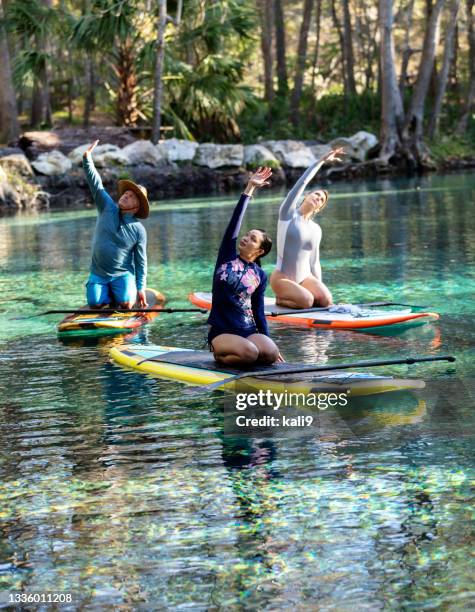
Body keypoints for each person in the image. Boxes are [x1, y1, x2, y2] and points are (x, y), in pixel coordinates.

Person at [208, 167, 283, 366]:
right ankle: (219, 355)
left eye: (253, 239)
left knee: (271, 354)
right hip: (222, 332)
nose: (245, 238)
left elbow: (258, 311)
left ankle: (250, 351)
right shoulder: (226, 258)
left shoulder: (259, 274)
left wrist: (267, 339)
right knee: (250, 354)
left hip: (248, 330)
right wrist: (250, 188)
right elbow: (235, 221)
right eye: (247, 235)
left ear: (260, 251)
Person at [270, 147, 344, 310]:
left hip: (305, 278)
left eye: (321, 200)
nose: (318, 198)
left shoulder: (316, 229)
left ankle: (306, 296)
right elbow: (301, 183)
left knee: (325, 300)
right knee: (307, 301)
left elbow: (314, 262)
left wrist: (319, 286)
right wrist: (320, 161)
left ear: (319, 208)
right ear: (306, 196)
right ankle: (281, 299)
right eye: (316, 195)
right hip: (282, 278)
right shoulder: (287, 214)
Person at [82, 139, 149, 309]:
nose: (125, 196)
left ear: (137, 207)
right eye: (125, 193)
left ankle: (121, 293)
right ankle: (105, 293)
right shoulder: (106, 207)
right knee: (95, 304)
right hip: (98, 274)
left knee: (126, 303)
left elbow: (141, 262)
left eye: (131, 196)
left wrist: (141, 288)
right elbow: (95, 183)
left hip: (122, 274)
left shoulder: (138, 230)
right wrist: (87, 159)